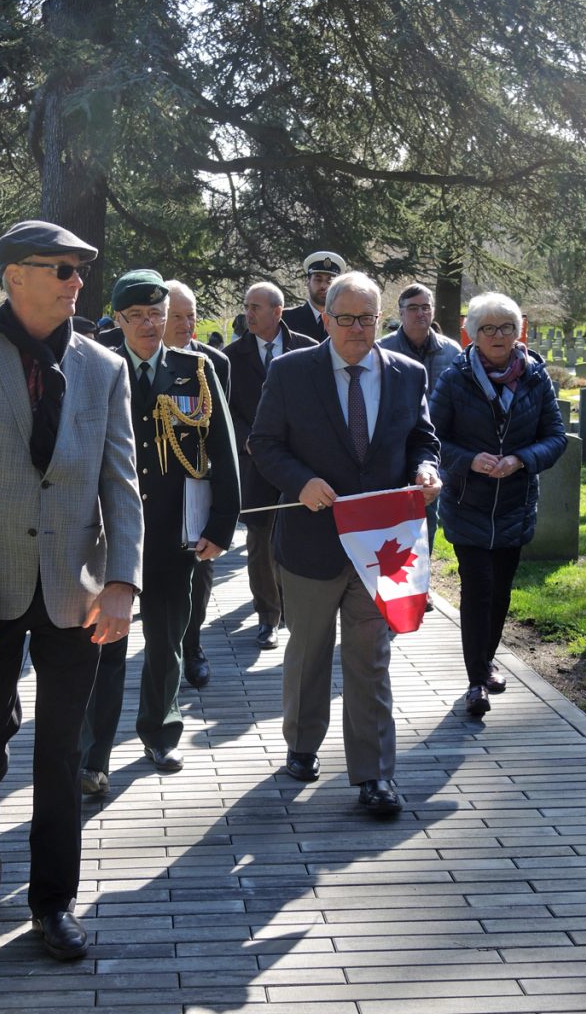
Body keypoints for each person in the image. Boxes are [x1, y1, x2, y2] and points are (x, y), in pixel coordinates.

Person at [0, 220, 143, 961]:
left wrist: (121, 582)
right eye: (63, 269)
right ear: (16, 276)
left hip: (75, 592)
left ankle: (53, 904)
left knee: (60, 754)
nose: (78, 282)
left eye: (80, 269)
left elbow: (122, 485)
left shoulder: (106, 367)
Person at [249, 271, 440, 816]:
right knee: (308, 652)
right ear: (326, 318)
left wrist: (427, 470)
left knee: (369, 658)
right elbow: (263, 442)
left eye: (368, 318)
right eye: (348, 318)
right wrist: (300, 481)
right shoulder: (290, 373)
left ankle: (375, 775)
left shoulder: (406, 373)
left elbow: (422, 439)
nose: (358, 329)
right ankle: (302, 744)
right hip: (312, 544)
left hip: (381, 546)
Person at [80, 269, 239, 790]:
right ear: (119, 319)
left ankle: (160, 734)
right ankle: (92, 756)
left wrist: (221, 525)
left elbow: (223, 450)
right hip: (109, 536)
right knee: (105, 645)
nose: (151, 325)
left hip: (175, 532)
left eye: (158, 315)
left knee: (167, 639)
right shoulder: (95, 367)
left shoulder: (196, 370)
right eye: (139, 316)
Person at [429, 291, 566, 718]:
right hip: (467, 500)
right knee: (477, 590)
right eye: (488, 328)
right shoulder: (455, 378)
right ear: (472, 335)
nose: (498, 336)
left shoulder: (535, 376)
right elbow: (432, 438)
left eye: (507, 327)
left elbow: (555, 437)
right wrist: (470, 460)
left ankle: (487, 662)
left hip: (515, 502)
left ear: (518, 331)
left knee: (501, 591)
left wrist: (520, 460)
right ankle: (474, 684)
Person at [224, 282, 317, 650]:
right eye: (246, 306)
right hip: (254, 465)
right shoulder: (232, 356)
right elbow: (226, 409)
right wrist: (247, 437)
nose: (248, 313)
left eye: (256, 307)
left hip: (297, 464)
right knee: (260, 542)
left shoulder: (309, 351)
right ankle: (268, 616)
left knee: (296, 540)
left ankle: (296, 611)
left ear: (278, 311)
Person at [162, 279, 231, 689]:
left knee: (199, 577)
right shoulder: (135, 362)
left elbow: (223, 441)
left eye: (192, 315)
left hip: (198, 488)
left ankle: (194, 646)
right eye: (179, 316)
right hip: (151, 493)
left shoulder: (214, 363)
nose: (188, 324)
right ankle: (162, 656)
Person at [378, 282, 461, 601]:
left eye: (426, 307)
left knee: (428, 516)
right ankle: (393, 580)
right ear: (400, 314)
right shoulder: (383, 349)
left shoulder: (451, 351)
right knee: (392, 520)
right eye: (413, 308)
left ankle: (421, 586)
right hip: (392, 450)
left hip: (433, 451)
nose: (420, 313)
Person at [282, 251, 347, 341]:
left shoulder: (344, 322)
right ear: (308, 282)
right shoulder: (285, 318)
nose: (323, 286)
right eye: (318, 279)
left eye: (329, 281)